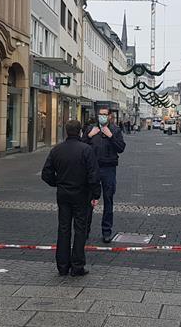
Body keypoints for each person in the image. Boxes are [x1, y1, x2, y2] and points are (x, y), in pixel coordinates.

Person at [42, 120, 101, 276]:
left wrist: (58, 183)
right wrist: (96, 194)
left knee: (63, 228)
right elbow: (93, 175)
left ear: (67, 132)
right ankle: (77, 265)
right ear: (80, 131)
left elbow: (46, 174)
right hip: (82, 194)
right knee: (80, 229)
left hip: (63, 194)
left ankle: (62, 265)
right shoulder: (86, 150)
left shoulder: (57, 150)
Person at [83, 106, 126, 243]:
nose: (101, 116)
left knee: (108, 200)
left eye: (104, 114)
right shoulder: (90, 129)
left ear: (109, 116)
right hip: (92, 169)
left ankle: (106, 231)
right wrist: (89, 136)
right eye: (100, 114)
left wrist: (111, 136)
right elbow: (81, 146)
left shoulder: (115, 130)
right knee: (88, 200)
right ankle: (85, 230)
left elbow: (121, 148)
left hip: (108, 169)